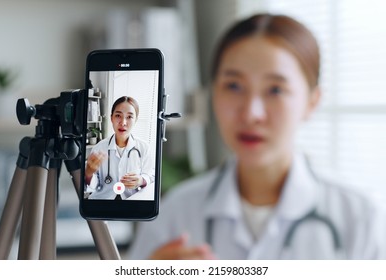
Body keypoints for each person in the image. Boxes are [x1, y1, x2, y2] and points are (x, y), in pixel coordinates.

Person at [128, 13, 386, 259]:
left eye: (275, 89)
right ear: (212, 93)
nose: (251, 113)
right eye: (234, 86)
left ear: (312, 101)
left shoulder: (360, 218)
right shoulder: (175, 213)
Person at [85, 96, 155, 200]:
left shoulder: (144, 148)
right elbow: (94, 186)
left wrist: (141, 180)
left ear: (136, 120)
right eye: (118, 115)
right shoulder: (99, 148)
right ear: (111, 118)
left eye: (129, 117)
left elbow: (152, 176)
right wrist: (89, 173)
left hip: (132, 203)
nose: (123, 123)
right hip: (103, 203)